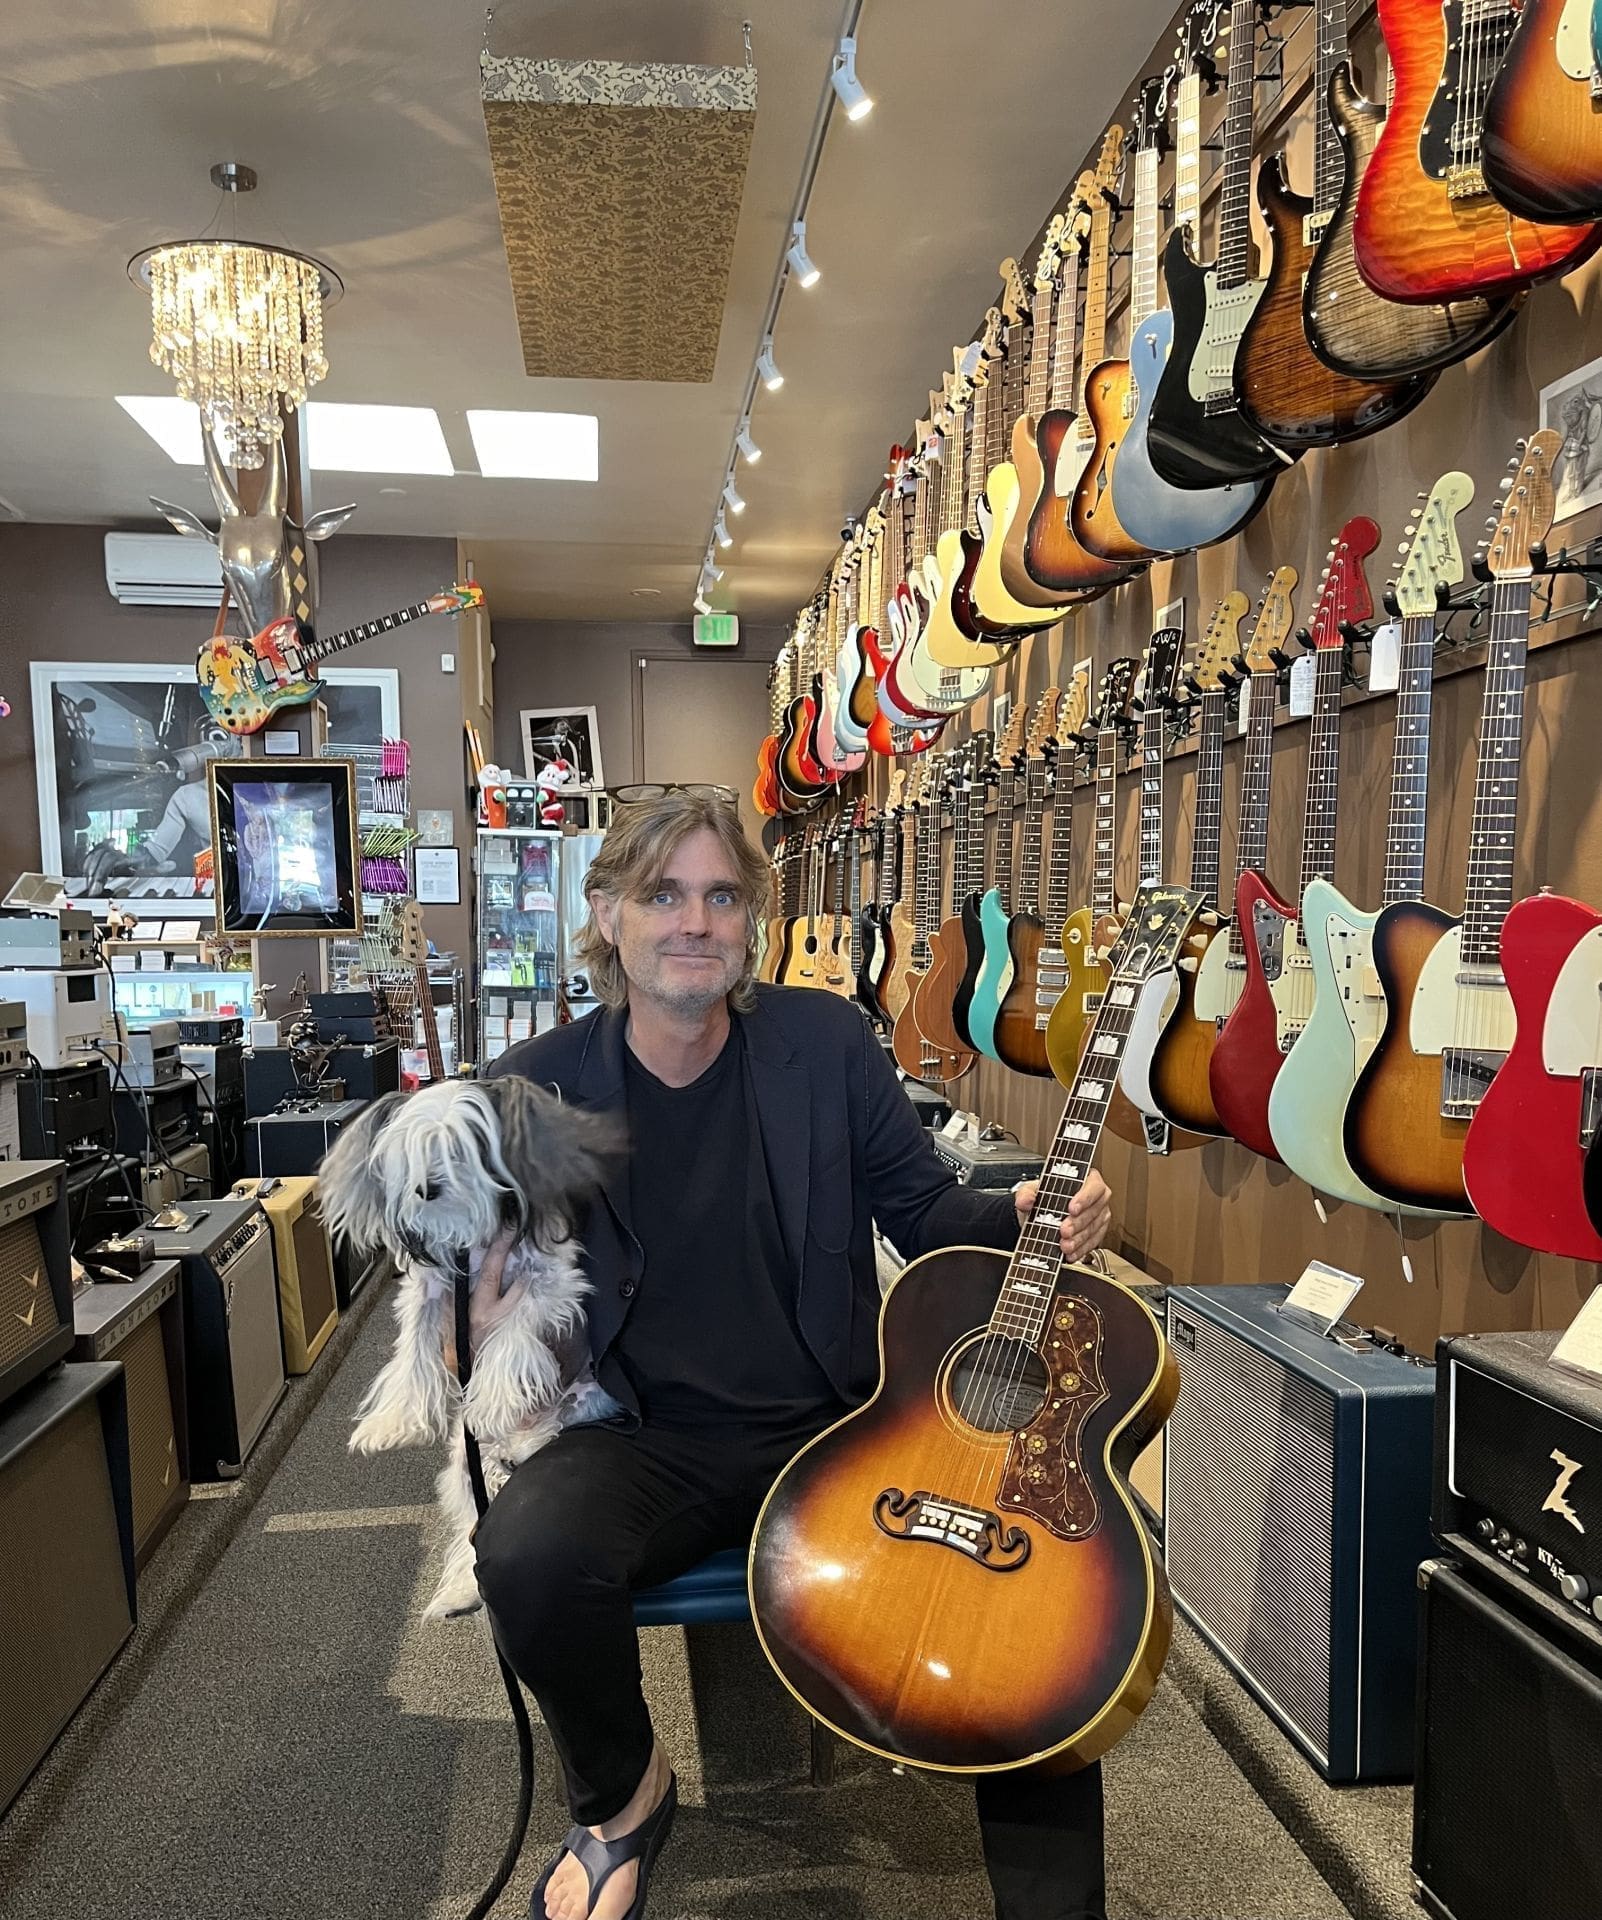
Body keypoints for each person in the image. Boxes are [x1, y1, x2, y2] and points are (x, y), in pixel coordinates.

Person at [473, 789, 1117, 1920]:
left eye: (723, 896)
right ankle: (623, 1798)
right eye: (663, 895)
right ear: (608, 914)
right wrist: (474, 1309)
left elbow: (921, 1210)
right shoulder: (535, 1085)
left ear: (754, 919)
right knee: (525, 1558)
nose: (695, 922)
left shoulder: (825, 1045)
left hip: (839, 1423)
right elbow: (474, 1279)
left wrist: (1021, 1214)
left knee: (1029, 1608)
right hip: (642, 1436)